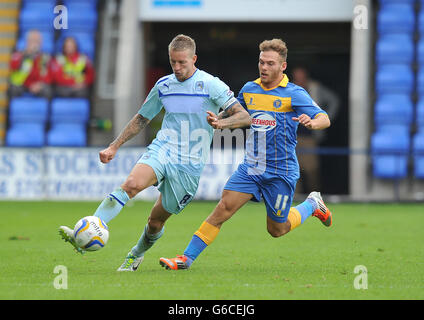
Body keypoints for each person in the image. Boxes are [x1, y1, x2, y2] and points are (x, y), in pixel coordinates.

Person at [58, 34, 251, 271]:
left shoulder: (211, 85)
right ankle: (85, 232)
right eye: (173, 63)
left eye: (182, 62)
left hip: (190, 164)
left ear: (194, 59)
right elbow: (141, 118)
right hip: (163, 149)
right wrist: (114, 146)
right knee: (130, 185)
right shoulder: (163, 85)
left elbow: (244, 116)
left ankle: (135, 254)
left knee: (155, 221)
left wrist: (222, 124)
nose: (177, 68)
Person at [159, 39, 333, 271]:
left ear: (283, 66)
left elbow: (325, 118)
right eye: (261, 62)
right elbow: (237, 114)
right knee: (223, 208)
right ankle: (186, 259)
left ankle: (312, 204)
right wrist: (219, 120)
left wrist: (313, 123)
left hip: (281, 172)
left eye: (270, 63)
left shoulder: (295, 93)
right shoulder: (249, 89)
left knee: (276, 230)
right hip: (252, 167)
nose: (264, 67)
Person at [291, 66, 340, 194]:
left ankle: (315, 196)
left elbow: (333, 100)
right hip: (292, 136)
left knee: (312, 169)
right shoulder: (288, 89)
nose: (299, 80)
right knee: (293, 169)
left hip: (309, 136)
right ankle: (296, 196)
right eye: (297, 77)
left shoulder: (315, 88)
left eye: (301, 77)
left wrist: (324, 118)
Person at [8, 30, 53, 98]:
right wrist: (27, 55)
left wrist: (39, 84)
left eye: (37, 41)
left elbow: (47, 75)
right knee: (12, 89)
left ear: (41, 43)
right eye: (32, 41)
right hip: (22, 84)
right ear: (27, 42)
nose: (35, 43)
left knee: (48, 91)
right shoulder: (18, 55)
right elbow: (13, 67)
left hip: (37, 86)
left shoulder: (44, 57)